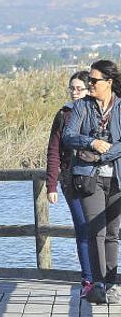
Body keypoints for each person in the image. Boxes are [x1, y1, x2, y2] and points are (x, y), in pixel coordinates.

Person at [63, 60, 121, 304]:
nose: (89, 84)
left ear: (108, 82)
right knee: (95, 230)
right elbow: (69, 136)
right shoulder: (82, 107)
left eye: (94, 80)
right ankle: (97, 284)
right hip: (89, 179)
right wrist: (91, 143)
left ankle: (111, 283)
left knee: (112, 233)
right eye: (89, 80)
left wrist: (102, 155)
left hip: (116, 177)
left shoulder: (120, 107)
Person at [46, 71, 93, 298]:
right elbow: (54, 150)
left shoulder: (98, 112)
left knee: (103, 230)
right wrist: (52, 185)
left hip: (96, 178)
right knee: (83, 228)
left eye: (79, 89)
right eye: (72, 88)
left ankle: (104, 279)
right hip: (69, 179)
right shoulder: (63, 115)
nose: (75, 93)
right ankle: (88, 279)